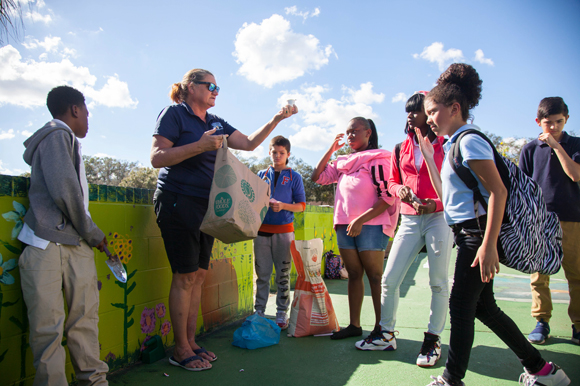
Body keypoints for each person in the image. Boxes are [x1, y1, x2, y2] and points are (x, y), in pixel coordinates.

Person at [416, 63, 570, 386]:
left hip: (477, 236)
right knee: (485, 310)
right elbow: (447, 196)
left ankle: (451, 379)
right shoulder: (454, 144)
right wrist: (430, 157)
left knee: (460, 305)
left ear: (454, 108)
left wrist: (488, 246)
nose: (428, 118)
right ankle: (542, 370)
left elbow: (498, 191)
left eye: (433, 111)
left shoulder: (470, 141)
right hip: (468, 234)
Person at [150, 68, 297, 371]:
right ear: (190, 87)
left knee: (198, 276)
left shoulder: (215, 122)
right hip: (178, 200)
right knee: (184, 276)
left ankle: (190, 343)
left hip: (207, 208)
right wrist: (200, 146)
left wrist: (277, 119)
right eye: (210, 86)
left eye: (219, 87)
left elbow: (249, 143)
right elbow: (157, 157)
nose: (216, 91)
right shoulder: (174, 114)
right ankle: (180, 350)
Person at [18, 85, 109, 385]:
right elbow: (66, 193)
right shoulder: (57, 135)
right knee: (53, 330)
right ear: (75, 109)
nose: (87, 118)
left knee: (75, 325)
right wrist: (94, 234)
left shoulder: (66, 140)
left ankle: (94, 381)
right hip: (47, 244)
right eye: (86, 111)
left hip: (72, 243)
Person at [355, 92, 453, 367]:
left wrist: (433, 205)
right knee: (390, 278)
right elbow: (392, 182)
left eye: (416, 110)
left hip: (439, 217)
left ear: (431, 113)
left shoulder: (446, 145)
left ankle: (433, 339)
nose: (410, 116)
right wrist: (403, 191)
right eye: (408, 111)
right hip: (409, 219)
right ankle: (385, 334)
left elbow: (455, 187)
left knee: (438, 281)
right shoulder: (401, 148)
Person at [312, 117, 399, 340]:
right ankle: (355, 325)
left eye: (355, 131)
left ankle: (382, 327)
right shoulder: (343, 162)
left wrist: (361, 219)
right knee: (353, 274)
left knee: (374, 276)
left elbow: (387, 197)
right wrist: (332, 149)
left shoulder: (379, 159)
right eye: (347, 132)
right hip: (344, 224)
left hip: (370, 224)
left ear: (368, 133)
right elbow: (317, 177)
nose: (350, 135)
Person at [519, 97, 580, 346]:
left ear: (566, 120)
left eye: (558, 122)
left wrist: (556, 146)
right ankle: (542, 321)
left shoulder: (575, 144)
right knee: (539, 275)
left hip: (572, 219)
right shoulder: (530, 149)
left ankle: (578, 324)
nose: (553, 127)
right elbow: (522, 187)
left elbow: (575, 175)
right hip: (540, 222)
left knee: (576, 274)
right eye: (548, 123)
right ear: (538, 122)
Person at [254, 135, 306, 329]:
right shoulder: (260, 174)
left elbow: (301, 206)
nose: (277, 156)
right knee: (262, 275)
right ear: (269, 152)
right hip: (261, 232)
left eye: (281, 153)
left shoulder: (295, 177)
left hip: (284, 233)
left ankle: (281, 312)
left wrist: (283, 206)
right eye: (274, 152)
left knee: (282, 275)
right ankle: (259, 311)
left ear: (288, 154)